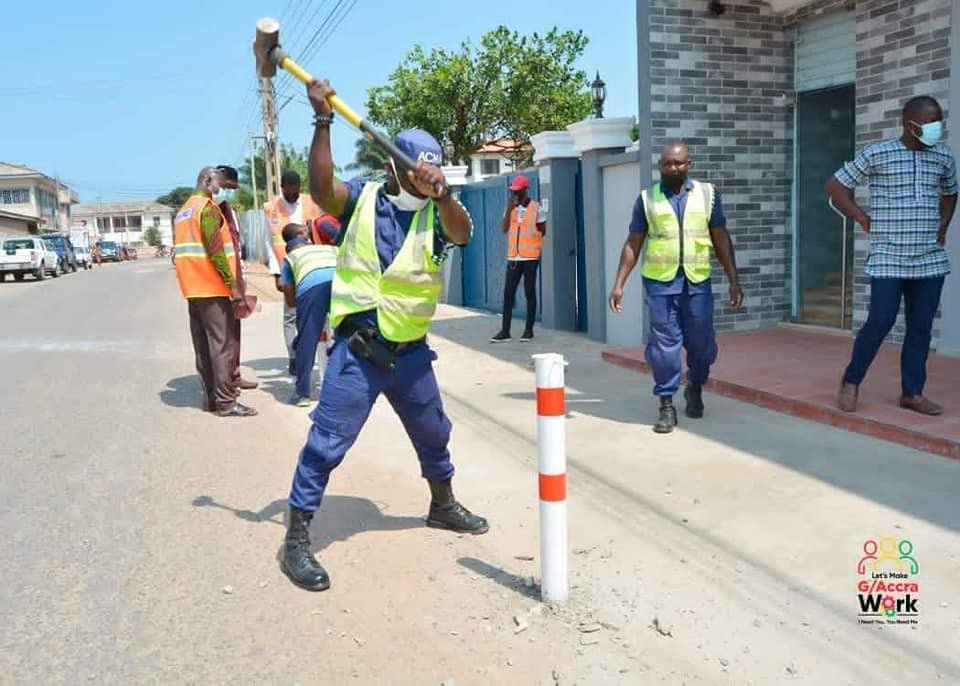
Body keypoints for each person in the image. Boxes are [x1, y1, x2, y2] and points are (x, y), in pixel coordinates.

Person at [279, 78, 488, 592]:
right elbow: (322, 187)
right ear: (397, 166)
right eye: (420, 168)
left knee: (435, 433)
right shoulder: (365, 201)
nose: (426, 176)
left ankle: (441, 504)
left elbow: (463, 232)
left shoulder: (440, 215)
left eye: (434, 169)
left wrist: (444, 193)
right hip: (359, 351)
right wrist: (322, 117)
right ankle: (296, 539)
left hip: (412, 355)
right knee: (327, 444)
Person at [827, 95, 957, 416]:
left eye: (938, 121)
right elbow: (835, 185)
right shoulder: (878, 153)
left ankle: (912, 393)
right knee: (880, 321)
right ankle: (852, 380)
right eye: (930, 123)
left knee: (921, 327)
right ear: (909, 124)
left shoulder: (943, 156)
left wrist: (943, 227)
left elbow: (951, 193)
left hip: (929, 258)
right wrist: (860, 216)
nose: (935, 128)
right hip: (888, 255)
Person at [608, 141, 743, 434]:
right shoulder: (647, 199)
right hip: (660, 284)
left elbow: (720, 238)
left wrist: (734, 279)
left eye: (678, 163)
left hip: (697, 282)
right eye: (668, 163)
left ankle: (695, 385)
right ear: (660, 166)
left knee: (702, 344)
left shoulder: (708, 195)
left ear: (689, 164)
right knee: (664, 345)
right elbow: (634, 242)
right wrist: (619, 283)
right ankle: (666, 404)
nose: (673, 168)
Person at [173, 167, 257, 418]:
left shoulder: (183, 211)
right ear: (207, 180)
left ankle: (210, 398)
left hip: (192, 290)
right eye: (218, 185)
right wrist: (233, 287)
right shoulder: (207, 209)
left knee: (203, 348)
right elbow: (216, 252)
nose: (219, 190)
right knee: (222, 347)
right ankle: (226, 402)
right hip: (213, 288)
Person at [264, 170, 325, 377]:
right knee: (290, 315)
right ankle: (294, 357)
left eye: (296, 188)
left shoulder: (311, 203)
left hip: (311, 266)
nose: (293, 193)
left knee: (316, 313)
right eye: (289, 189)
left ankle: (316, 355)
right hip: (287, 267)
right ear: (282, 187)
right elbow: (269, 242)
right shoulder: (272, 208)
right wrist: (276, 273)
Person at [280, 222, 338, 406]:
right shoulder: (327, 249)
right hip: (342, 282)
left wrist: (307, 324)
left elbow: (290, 300)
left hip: (311, 286)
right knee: (347, 336)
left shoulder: (290, 259)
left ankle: (303, 393)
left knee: (307, 341)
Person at [216, 164, 259, 393]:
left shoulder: (228, 209)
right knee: (221, 337)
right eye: (227, 187)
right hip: (219, 283)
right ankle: (223, 384)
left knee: (233, 331)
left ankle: (234, 375)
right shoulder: (211, 210)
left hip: (235, 278)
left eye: (232, 188)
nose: (229, 191)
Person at [491, 175, 547, 342]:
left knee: (529, 292)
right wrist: (510, 208)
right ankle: (505, 331)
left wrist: (531, 231)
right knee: (508, 293)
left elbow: (543, 230)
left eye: (517, 190)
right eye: (512, 191)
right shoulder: (511, 209)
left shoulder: (537, 208)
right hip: (514, 258)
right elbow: (503, 228)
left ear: (525, 190)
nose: (514, 193)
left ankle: (528, 330)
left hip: (530, 257)